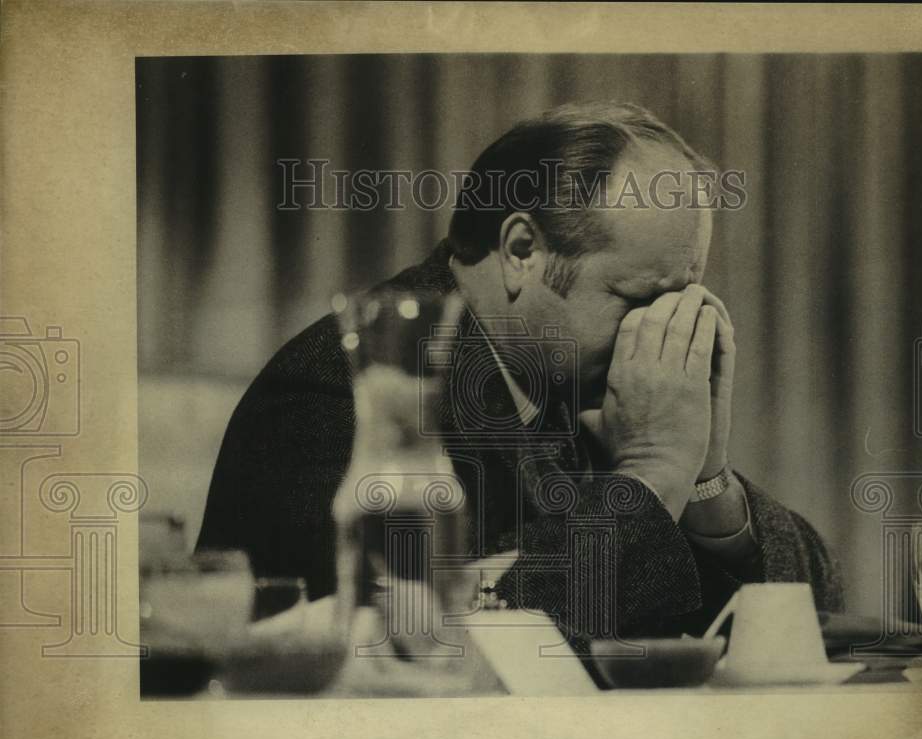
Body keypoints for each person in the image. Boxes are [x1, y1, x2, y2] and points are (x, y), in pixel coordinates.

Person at [197, 102, 843, 651]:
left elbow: (818, 615)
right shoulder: (343, 393)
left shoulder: (565, 377)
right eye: (641, 301)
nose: (662, 339)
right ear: (521, 252)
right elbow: (431, 657)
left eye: (684, 303)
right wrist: (647, 473)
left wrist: (706, 483)